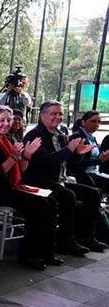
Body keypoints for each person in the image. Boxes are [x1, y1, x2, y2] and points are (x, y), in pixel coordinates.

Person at [0, 106, 59, 269]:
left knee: (51, 202)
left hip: (9, 186)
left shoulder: (8, 140)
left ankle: (46, 251)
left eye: (8, 120)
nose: (6, 123)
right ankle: (28, 254)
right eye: (2, 120)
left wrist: (26, 155)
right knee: (38, 205)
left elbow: (22, 169)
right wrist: (13, 156)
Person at [22, 101, 104, 255]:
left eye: (60, 114)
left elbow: (69, 165)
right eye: (54, 113)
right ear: (42, 115)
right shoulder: (35, 134)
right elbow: (44, 162)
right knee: (68, 196)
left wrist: (77, 154)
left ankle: (86, 235)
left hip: (60, 179)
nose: (58, 117)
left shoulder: (60, 135)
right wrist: (68, 150)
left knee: (94, 193)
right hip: (39, 181)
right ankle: (66, 240)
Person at [70, 111, 109, 193]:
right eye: (93, 121)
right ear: (83, 122)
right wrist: (100, 160)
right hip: (84, 174)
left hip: (95, 171)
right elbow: (77, 162)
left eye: (99, 122)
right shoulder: (78, 136)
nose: (97, 125)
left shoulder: (92, 137)